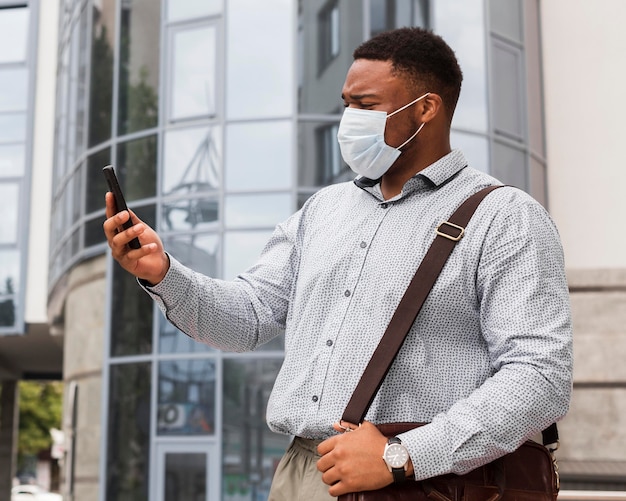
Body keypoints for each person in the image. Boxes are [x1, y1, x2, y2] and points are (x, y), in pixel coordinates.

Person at [104, 27, 573, 500]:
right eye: (347, 103)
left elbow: (540, 376)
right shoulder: (322, 211)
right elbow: (246, 319)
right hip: (303, 473)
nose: (349, 118)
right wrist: (161, 271)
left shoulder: (506, 217)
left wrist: (404, 454)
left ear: (426, 108)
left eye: (366, 105)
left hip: (428, 483)